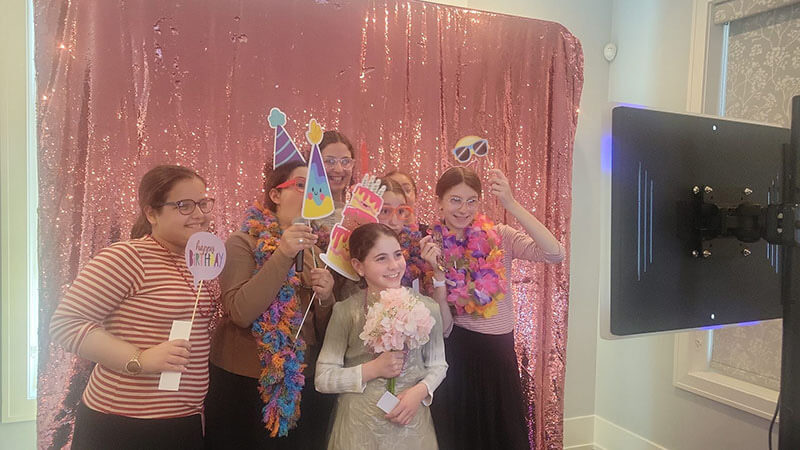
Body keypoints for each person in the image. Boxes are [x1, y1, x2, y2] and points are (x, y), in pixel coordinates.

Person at [49, 165, 215, 449]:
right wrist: (140, 358)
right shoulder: (128, 256)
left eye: (203, 203)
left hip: (182, 419)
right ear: (151, 213)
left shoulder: (199, 260)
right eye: (184, 205)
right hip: (123, 422)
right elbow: (66, 324)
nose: (199, 214)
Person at [422, 166, 565, 450]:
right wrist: (438, 276)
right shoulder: (431, 245)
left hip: (499, 355)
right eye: (455, 200)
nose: (464, 209)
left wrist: (511, 204)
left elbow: (555, 252)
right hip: (458, 355)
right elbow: (446, 327)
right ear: (439, 201)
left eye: (471, 200)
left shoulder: (500, 235)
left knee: (502, 436)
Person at [204, 160, 336, 449]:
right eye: (301, 185)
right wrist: (283, 254)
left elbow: (322, 330)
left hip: (298, 383)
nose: (310, 194)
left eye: (315, 188)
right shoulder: (242, 242)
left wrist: (326, 299)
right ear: (275, 195)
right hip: (245, 384)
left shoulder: (315, 249)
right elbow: (240, 312)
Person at [315, 223, 447, 450]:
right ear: (359, 266)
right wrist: (372, 370)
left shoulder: (427, 308)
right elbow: (323, 379)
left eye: (397, 255)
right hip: (358, 431)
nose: (394, 265)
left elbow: (439, 365)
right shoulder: (346, 311)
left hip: (411, 425)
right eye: (381, 259)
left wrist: (420, 391)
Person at [377, 177, 430, 291]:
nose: (394, 221)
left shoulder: (417, 249)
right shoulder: (355, 249)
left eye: (400, 211)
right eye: (385, 211)